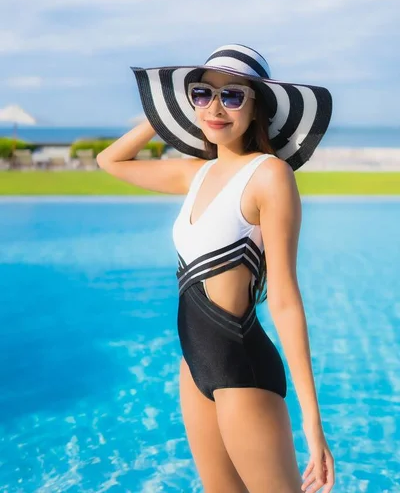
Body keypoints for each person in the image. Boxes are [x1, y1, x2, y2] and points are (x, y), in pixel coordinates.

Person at [97, 44, 335, 492]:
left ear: (257, 106)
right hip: (195, 366)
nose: (215, 108)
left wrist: (313, 423)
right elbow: (109, 161)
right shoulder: (196, 174)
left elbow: (284, 299)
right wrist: (167, 110)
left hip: (242, 368)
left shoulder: (269, 174)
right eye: (204, 94)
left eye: (233, 96)